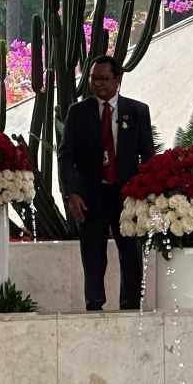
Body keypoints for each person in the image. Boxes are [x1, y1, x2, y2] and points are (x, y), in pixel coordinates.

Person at [59, 55, 155, 311]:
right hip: (91, 196)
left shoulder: (137, 111)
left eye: (104, 79)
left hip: (127, 196)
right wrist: (71, 193)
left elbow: (148, 157)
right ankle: (94, 304)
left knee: (130, 254)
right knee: (92, 255)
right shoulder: (77, 112)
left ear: (118, 80)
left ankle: (131, 305)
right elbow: (66, 156)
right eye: (94, 79)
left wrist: (147, 196)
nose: (98, 84)